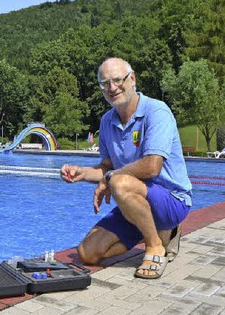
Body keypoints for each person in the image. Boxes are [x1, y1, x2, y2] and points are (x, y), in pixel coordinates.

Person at [60, 57, 192, 279]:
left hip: (171, 200)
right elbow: (107, 168)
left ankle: (154, 247)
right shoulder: (107, 121)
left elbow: (152, 166)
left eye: (117, 80)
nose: (112, 88)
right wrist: (82, 173)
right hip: (132, 201)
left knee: (119, 182)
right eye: (105, 83)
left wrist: (110, 178)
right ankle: (161, 234)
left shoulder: (156, 111)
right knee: (87, 253)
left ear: (132, 79)